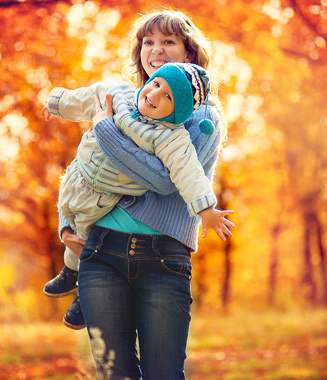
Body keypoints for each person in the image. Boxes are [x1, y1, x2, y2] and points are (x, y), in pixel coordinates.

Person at [61, 9, 232, 379]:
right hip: (101, 253)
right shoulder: (125, 101)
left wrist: (106, 130)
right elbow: (85, 169)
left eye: (168, 41)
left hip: (164, 260)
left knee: (164, 375)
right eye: (148, 42)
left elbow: (163, 179)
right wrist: (65, 228)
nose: (155, 50)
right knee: (115, 374)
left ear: (189, 53)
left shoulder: (203, 117)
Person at [42, 62, 231, 330]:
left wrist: (206, 209)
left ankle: (77, 277)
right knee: (67, 223)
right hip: (76, 177)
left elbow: (188, 171)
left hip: (101, 197)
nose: (154, 95)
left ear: (177, 113)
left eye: (168, 97)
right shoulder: (120, 94)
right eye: (156, 84)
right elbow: (87, 97)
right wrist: (56, 102)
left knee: (82, 234)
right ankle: (70, 271)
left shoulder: (170, 137)